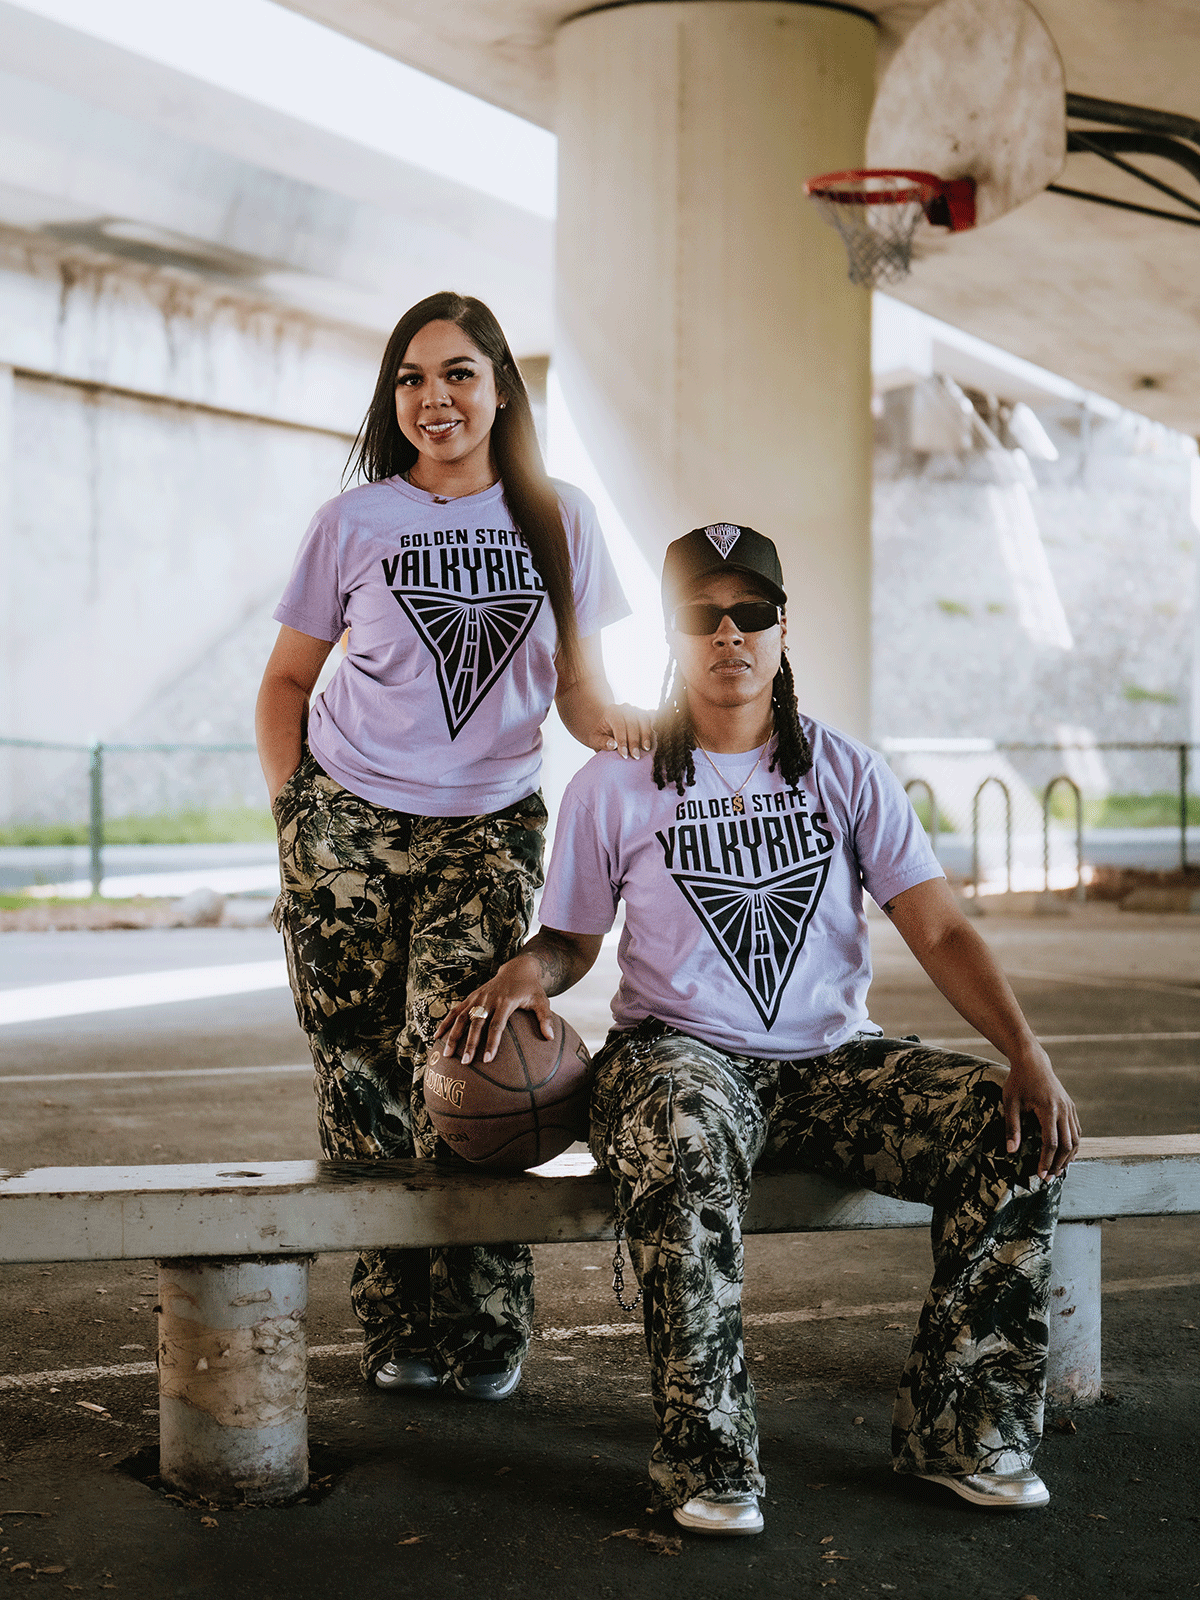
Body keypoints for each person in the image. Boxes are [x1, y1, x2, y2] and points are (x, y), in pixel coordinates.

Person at [438, 522, 1081, 1531]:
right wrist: (530, 967)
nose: (729, 632)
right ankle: (708, 1458)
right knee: (683, 1129)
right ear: (675, 632)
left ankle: (965, 1431)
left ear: (784, 628)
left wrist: (1023, 1051)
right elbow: (572, 936)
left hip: (834, 1063)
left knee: (1007, 1128)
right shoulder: (616, 783)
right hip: (679, 1057)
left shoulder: (846, 770)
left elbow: (941, 924)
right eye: (703, 614)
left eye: (752, 612)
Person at [256, 290, 651, 1402]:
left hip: (486, 823)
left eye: (460, 373)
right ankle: (394, 1322)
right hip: (348, 821)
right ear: (396, 399)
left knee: (476, 1060)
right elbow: (285, 683)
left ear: (500, 390)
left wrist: (628, 730)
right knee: (362, 1069)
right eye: (413, 378)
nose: (436, 397)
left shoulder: (559, 517)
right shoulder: (354, 522)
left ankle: (484, 1324)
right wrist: (301, 819)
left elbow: (579, 694)